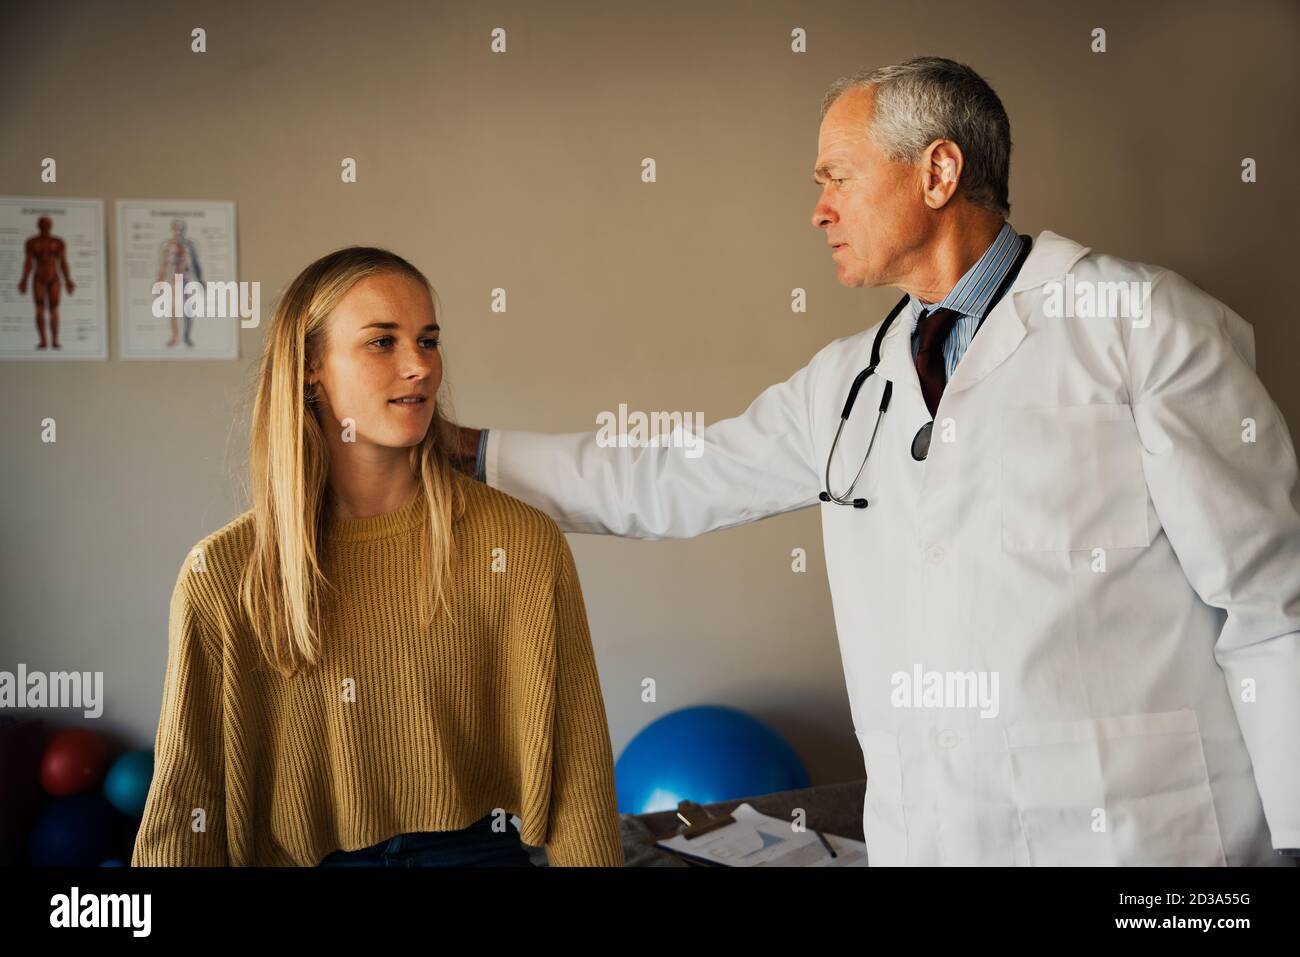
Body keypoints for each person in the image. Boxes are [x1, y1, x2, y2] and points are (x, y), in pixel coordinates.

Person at [452, 57, 1300, 866]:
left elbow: (1272, 599)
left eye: (837, 177)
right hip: (935, 834)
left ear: (937, 173)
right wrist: (470, 454)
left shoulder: (1140, 325)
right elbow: (669, 475)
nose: (818, 210)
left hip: (1149, 838)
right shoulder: (848, 383)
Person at [132, 246, 624, 867]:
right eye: (382, 343)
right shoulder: (223, 576)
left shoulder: (521, 546)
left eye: (428, 340)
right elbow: (185, 806)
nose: (419, 365)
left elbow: (579, 774)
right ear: (312, 366)